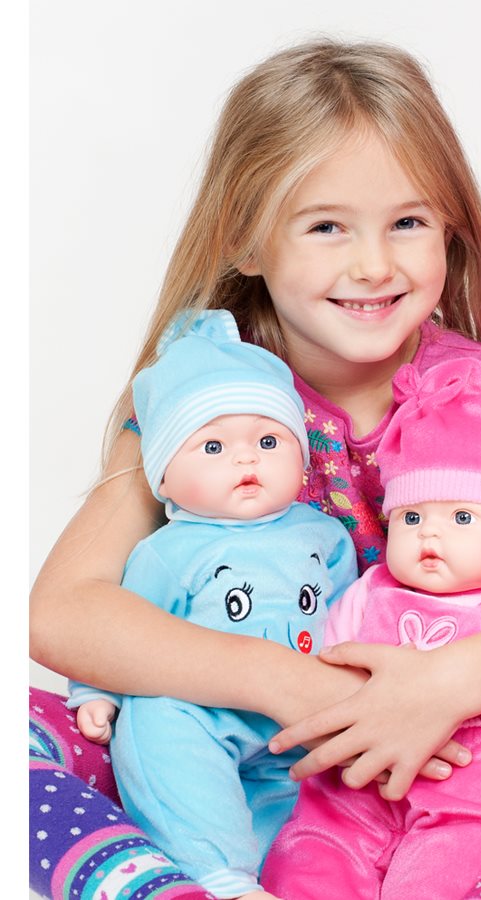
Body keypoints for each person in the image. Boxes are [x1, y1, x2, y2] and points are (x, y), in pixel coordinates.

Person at [29, 39, 481, 900]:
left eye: (408, 222)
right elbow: (64, 611)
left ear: (451, 227)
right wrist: (290, 683)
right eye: (327, 226)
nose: (373, 265)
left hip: (471, 742)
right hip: (270, 758)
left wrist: (448, 685)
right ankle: (198, 881)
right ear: (245, 239)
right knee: (26, 747)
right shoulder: (206, 397)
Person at [262, 357, 481, 899]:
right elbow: (326, 659)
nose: (429, 535)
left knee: (453, 871)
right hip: (354, 790)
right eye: (412, 517)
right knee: (307, 856)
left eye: (462, 518)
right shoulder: (371, 591)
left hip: (470, 801)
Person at [67, 309, 358, 899]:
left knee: (301, 803)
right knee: (157, 723)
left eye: (269, 442)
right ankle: (217, 874)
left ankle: (294, 877)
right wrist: (95, 691)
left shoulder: (325, 536)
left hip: (305, 712)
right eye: (214, 446)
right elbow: (121, 630)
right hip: (204, 710)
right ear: (164, 480)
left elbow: (353, 613)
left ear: (302, 461)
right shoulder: (168, 551)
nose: (246, 460)